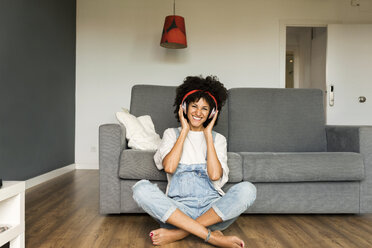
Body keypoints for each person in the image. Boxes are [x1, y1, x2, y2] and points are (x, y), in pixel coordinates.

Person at [132, 76, 256, 247]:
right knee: (140, 189)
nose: (198, 112)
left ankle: (179, 233)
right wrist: (184, 131)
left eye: (205, 109)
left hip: (212, 210)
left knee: (248, 189)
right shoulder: (171, 134)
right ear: (184, 107)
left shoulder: (218, 139)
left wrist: (207, 135)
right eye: (194, 106)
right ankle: (212, 236)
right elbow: (169, 167)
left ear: (212, 113)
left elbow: (214, 175)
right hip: (178, 211)